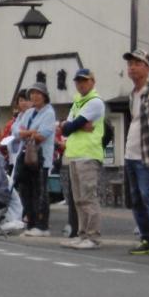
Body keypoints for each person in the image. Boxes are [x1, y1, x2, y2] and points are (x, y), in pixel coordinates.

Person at [60, 68, 105, 250]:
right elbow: (66, 127)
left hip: (88, 154)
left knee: (88, 197)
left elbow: (71, 126)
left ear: (92, 82)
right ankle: (82, 234)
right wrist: (72, 125)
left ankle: (93, 236)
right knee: (78, 199)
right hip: (76, 154)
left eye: (84, 80)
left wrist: (72, 125)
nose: (81, 84)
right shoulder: (78, 102)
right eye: (78, 81)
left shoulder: (95, 102)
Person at [13, 83, 56, 236]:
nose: (35, 96)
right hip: (25, 156)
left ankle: (42, 225)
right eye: (32, 93)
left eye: (38, 93)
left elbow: (42, 135)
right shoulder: (29, 112)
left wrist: (26, 132)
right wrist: (30, 132)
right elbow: (15, 130)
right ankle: (31, 223)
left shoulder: (49, 112)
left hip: (40, 157)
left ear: (45, 96)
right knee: (26, 190)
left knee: (40, 191)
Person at [123, 48, 149, 257]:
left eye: (137, 63)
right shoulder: (133, 95)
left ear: (147, 68)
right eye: (130, 63)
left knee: (148, 196)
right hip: (131, 155)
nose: (132, 67)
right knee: (137, 200)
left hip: (146, 155)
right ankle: (146, 238)